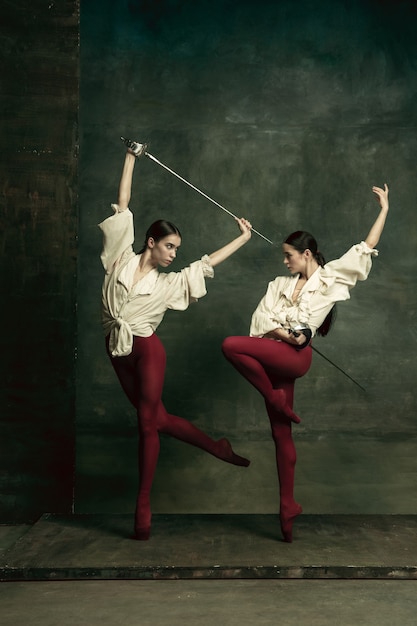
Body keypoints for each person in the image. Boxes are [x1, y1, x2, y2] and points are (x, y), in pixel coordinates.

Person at [99, 139, 252, 540]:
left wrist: (243, 238)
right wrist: (130, 158)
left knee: (147, 425)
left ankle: (143, 504)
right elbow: (124, 205)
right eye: (169, 246)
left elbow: (206, 264)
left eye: (177, 249)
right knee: (159, 419)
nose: (173, 254)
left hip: (148, 351)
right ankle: (215, 446)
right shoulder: (120, 258)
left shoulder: (170, 284)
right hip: (117, 348)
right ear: (151, 242)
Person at [222, 184, 389, 542]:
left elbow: (366, 248)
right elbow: (260, 327)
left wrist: (384, 209)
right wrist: (286, 333)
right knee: (281, 433)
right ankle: (287, 508)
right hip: (279, 354)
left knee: (229, 345)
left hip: (296, 359)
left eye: (289, 256)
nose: (285, 262)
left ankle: (272, 397)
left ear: (307, 254)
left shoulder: (329, 279)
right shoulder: (276, 285)